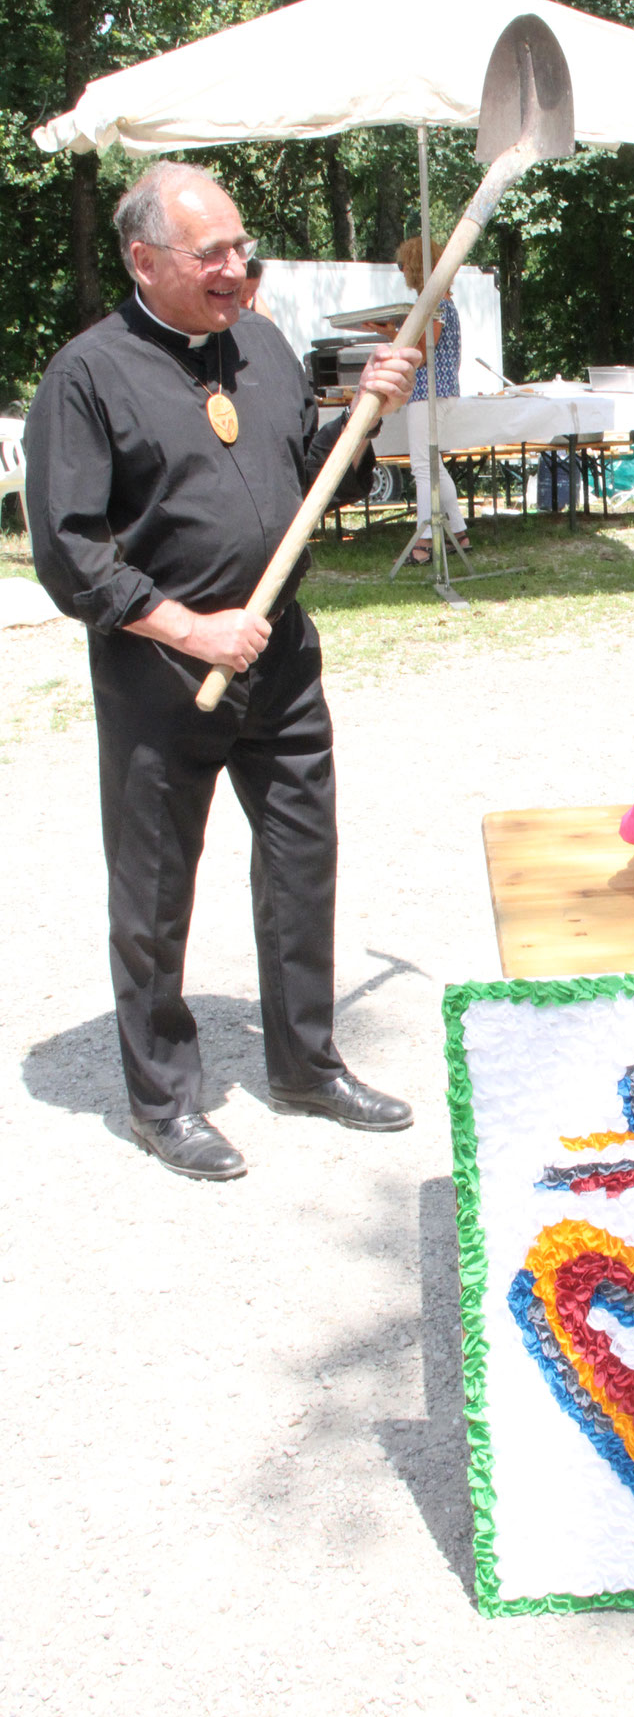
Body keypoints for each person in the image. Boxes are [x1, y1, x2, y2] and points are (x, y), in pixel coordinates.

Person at [24, 161, 422, 1183]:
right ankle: (163, 1101)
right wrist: (189, 630)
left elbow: (306, 480)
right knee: (154, 888)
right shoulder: (87, 375)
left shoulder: (265, 346)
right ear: (144, 259)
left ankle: (305, 1064)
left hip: (281, 656)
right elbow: (69, 553)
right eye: (213, 254)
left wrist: (365, 417)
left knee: (302, 858)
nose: (237, 268)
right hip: (162, 676)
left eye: (242, 248)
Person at [392, 235, 467, 561]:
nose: (401, 271)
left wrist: (394, 340)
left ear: (416, 267)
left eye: (403, 264)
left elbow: (424, 351)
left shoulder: (433, 303)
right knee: (432, 466)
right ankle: (458, 534)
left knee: (423, 468)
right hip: (440, 391)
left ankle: (425, 541)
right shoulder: (442, 301)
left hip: (428, 392)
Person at [238, 255, 274, 321]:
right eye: (244, 291)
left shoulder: (258, 306)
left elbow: (269, 326)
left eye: (253, 291)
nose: (247, 296)